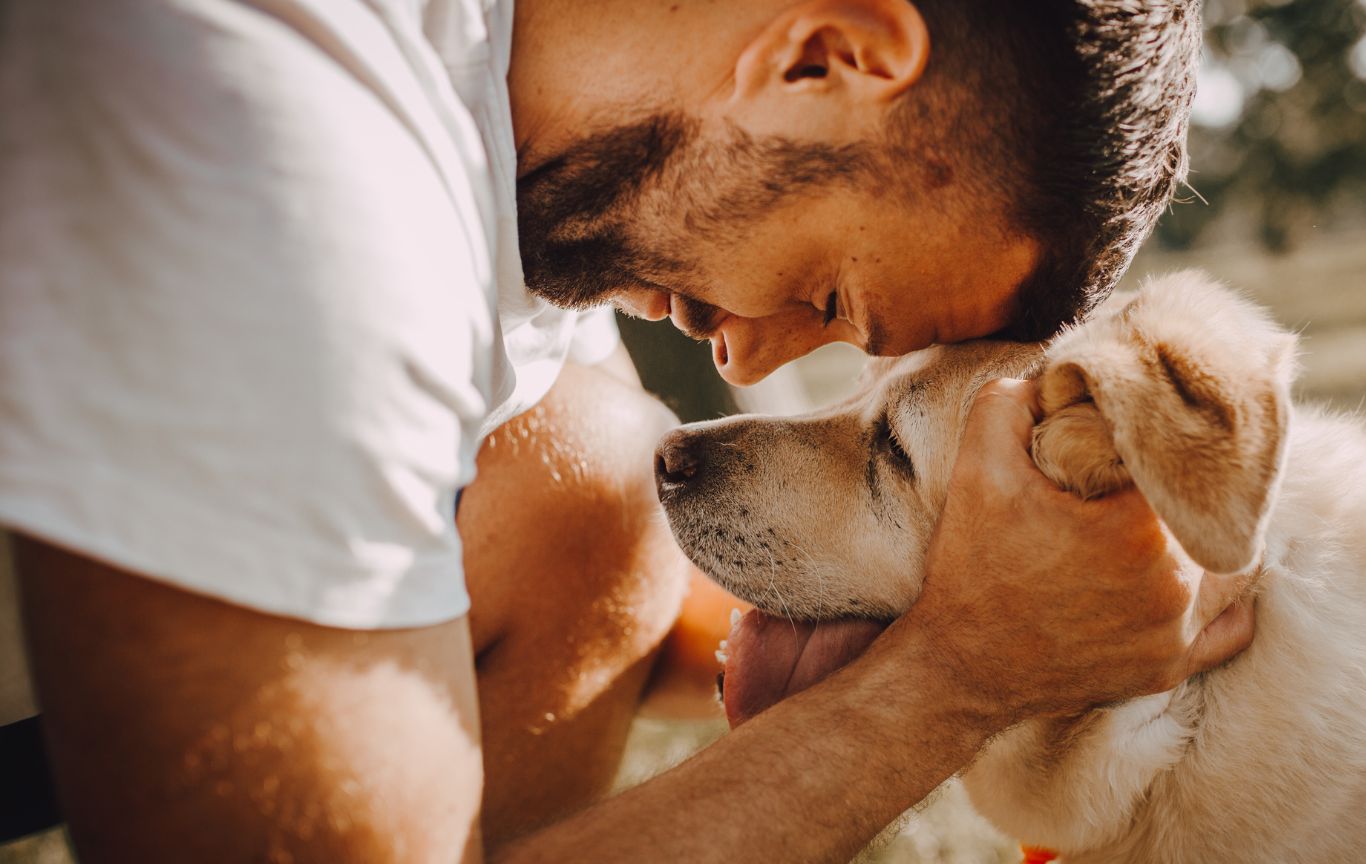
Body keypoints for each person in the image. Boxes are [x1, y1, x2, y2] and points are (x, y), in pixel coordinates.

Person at [0, 0, 1253, 861]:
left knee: (591, 483)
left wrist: (1012, 601)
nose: (750, 355)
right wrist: (960, 678)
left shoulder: (503, 132)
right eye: (826, 297)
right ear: (828, 53)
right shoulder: (283, 148)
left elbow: (621, 597)